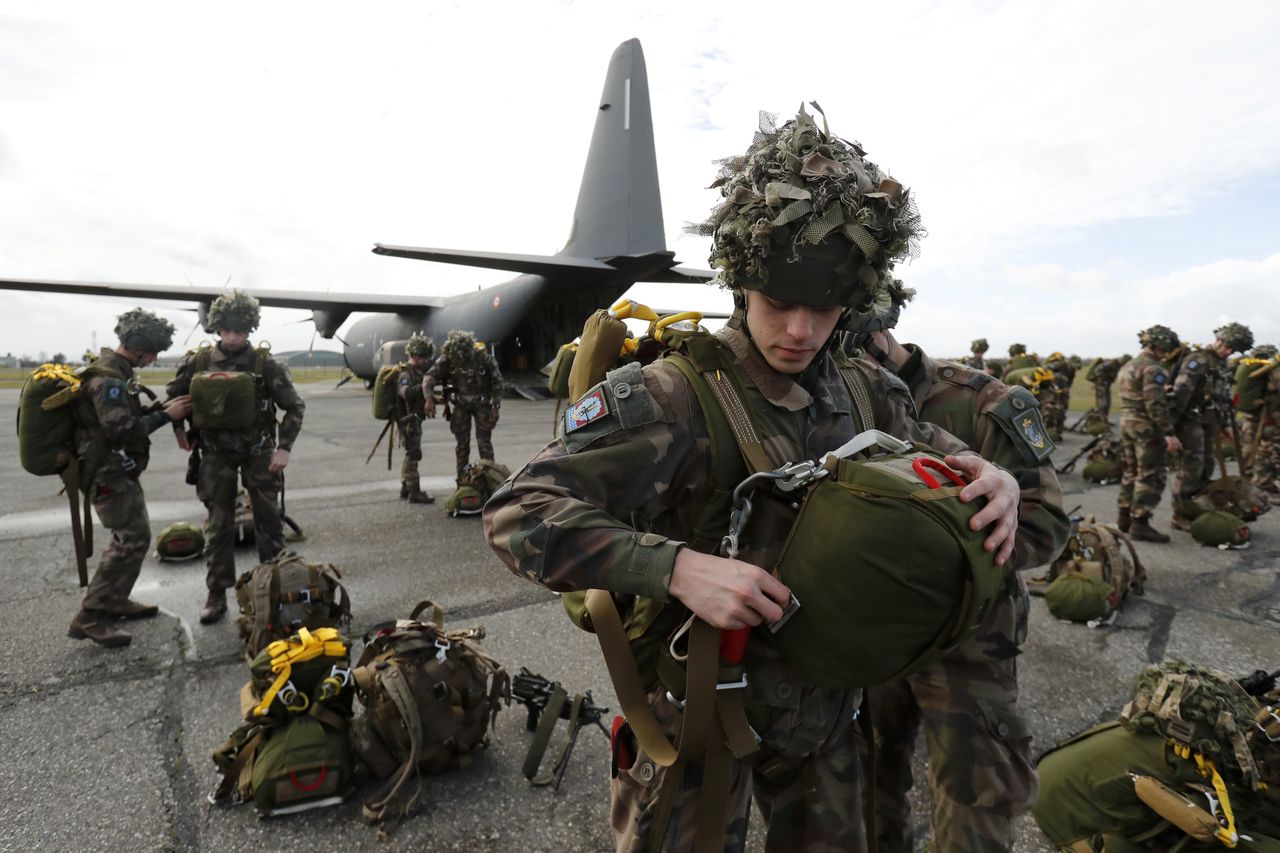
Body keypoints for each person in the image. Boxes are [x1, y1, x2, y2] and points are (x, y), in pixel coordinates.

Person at [484, 105, 1023, 853]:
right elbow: (518, 512)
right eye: (779, 303)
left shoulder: (866, 391)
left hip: (826, 715)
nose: (800, 330)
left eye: (824, 307)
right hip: (697, 715)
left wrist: (996, 478)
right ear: (742, 285)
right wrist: (675, 567)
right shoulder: (674, 397)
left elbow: (941, 454)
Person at [854, 301, 1069, 853]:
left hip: (971, 642)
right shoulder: (838, 397)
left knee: (975, 801)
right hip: (870, 636)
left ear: (878, 335)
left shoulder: (985, 401)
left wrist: (949, 545)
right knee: (864, 786)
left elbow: (1045, 525)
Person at [166, 289, 305, 624]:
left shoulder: (264, 364)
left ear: (249, 330)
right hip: (214, 455)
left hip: (259, 453)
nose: (232, 337)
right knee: (218, 526)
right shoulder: (198, 362)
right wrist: (180, 431)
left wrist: (284, 447)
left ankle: (272, 591)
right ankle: (216, 595)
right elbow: (174, 399)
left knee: (269, 523)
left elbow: (294, 406)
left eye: (239, 331)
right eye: (227, 330)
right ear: (217, 328)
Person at [69, 309, 192, 647]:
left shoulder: (115, 372)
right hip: (107, 471)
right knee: (130, 538)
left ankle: (115, 599)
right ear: (139, 347)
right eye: (152, 352)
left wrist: (156, 411)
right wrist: (167, 416)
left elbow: (125, 417)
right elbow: (120, 430)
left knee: (133, 537)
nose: (154, 358)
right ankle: (91, 615)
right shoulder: (108, 380)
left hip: (114, 469)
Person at [1168, 322, 1253, 529]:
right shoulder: (1197, 360)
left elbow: (1222, 396)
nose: (1229, 352)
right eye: (1228, 346)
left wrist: (1225, 425)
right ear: (1219, 340)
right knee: (1191, 469)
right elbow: (1180, 394)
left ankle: (1195, 508)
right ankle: (1179, 514)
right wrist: (1170, 430)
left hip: (1209, 423)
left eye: (1234, 350)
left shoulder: (1221, 364)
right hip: (1190, 422)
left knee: (1207, 466)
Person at [1115, 325, 1181, 542]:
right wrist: (1169, 433)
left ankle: (1124, 517)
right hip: (1146, 427)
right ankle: (1140, 522)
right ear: (1160, 344)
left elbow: (1136, 394)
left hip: (1126, 422)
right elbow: (1154, 403)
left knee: (1130, 471)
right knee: (1150, 475)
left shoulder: (1128, 365)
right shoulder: (1154, 369)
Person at [423, 330, 503, 481]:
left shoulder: (483, 358)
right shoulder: (449, 357)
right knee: (461, 446)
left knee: (484, 444)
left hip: (482, 405)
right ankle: (462, 480)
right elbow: (429, 376)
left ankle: (490, 480)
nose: (460, 359)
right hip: (460, 405)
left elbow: (498, 382)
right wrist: (428, 398)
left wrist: (496, 406)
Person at [396, 333, 436, 504]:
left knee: (410, 454)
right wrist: (423, 388)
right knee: (413, 454)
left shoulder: (417, 372)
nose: (426, 361)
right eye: (423, 357)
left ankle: (406, 487)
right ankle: (415, 492)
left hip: (415, 418)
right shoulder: (406, 373)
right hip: (408, 421)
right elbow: (405, 393)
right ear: (416, 355)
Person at [1239, 344, 1280, 504]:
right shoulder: (1273, 370)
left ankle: (1248, 481)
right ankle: (1264, 485)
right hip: (1268, 416)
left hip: (1250, 415)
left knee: (1248, 449)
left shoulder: (1249, 368)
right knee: (1266, 449)